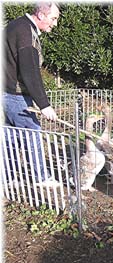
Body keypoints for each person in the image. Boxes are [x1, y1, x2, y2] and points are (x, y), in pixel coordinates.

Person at [3, 2, 61, 188]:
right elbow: (29, 72)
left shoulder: (16, 25)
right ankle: (41, 178)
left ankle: (9, 177)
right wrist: (44, 105)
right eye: (54, 18)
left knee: (10, 135)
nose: (55, 24)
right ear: (41, 15)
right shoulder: (25, 33)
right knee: (32, 133)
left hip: (6, 92)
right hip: (15, 95)